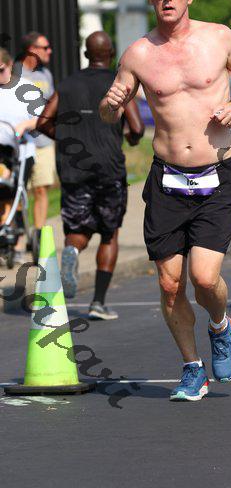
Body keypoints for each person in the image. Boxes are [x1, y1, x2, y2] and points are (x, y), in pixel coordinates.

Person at [99, 0, 231, 401]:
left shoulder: (219, 37)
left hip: (215, 175)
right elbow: (110, 112)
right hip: (167, 179)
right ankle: (192, 368)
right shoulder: (138, 54)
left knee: (204, 279)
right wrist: (111, 105)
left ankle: (220, 326)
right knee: (170, 284)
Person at [37, 31, 144, 320]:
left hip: (74, 169)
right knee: (109, 233)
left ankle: (72, 251)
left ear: (86, 54)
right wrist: (131, 139)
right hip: (109, 169)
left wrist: (66, 138)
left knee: (77, 228)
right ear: (111, 54)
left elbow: (43, 121)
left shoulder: (67, 84)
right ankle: (98, 302)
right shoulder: (118, 84)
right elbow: (137, 127)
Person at [0, 48, 38, 262]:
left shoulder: (25, 89)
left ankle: (19, 241)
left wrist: (25, 125)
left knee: (15, 192)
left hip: (21, 152)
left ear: (9, 66)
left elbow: (42, 118)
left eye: (1, 70)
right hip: (1, 154)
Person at [18, 31, 56, 231]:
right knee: (19, 192)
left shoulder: (46, 74)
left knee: (41, 190)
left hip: (44, 142)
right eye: (45, 47)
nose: (50, 51)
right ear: (32, 50)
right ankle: (18, 235)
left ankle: (38, 235)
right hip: (21, 143)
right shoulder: (14, 74)